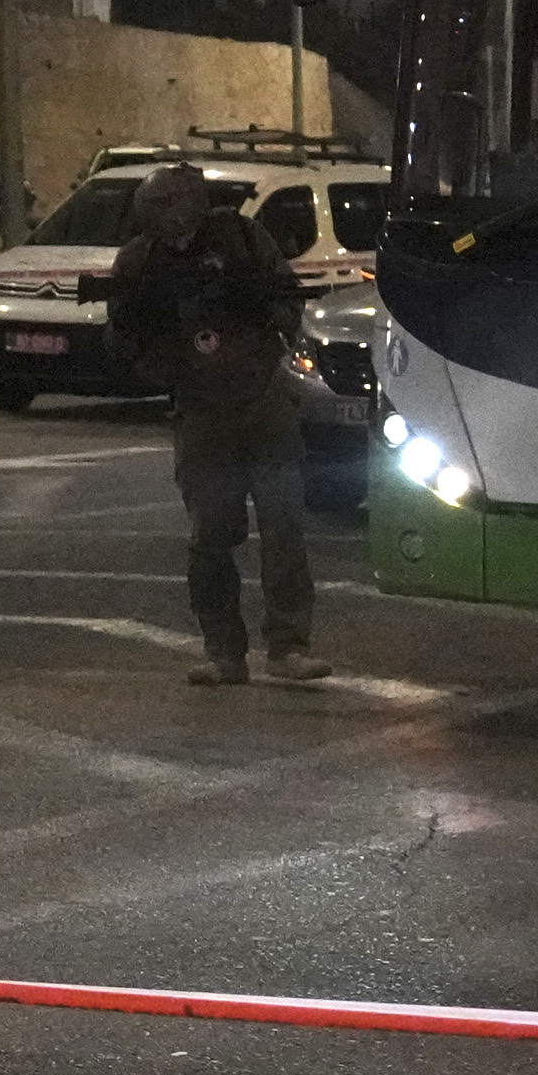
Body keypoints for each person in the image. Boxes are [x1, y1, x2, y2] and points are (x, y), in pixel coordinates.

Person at [104, 162, 332, 685]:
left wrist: (256, 331)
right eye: (160, 208)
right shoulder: (141, 263)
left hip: (263, 402)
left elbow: (286, 301)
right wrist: (172, 364)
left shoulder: (242, 240)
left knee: (284, 527)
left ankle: (288, 646)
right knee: (210, 536)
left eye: (179, 204)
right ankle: (223, 651)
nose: (173, 218)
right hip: (201, 414)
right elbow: (122, 338)